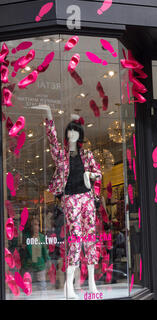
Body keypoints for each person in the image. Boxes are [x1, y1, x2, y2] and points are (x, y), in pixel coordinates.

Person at [31, 105, 102, 299]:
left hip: (87, 198)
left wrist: (91, 174)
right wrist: (48, 115)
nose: (72, 134)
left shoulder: (87, 155)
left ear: (80, 135)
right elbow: (52, 140)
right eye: (69, 131)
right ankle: (69, 286)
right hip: (71, 199)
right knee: (75, 239)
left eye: (75, 131)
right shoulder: (61, 155)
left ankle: (91, 284)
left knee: (90, 239)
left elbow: (99, 174)